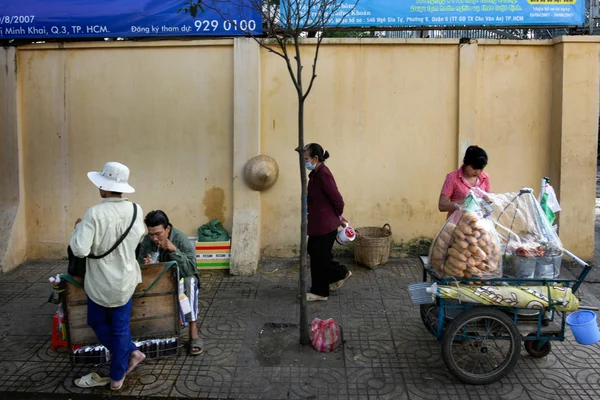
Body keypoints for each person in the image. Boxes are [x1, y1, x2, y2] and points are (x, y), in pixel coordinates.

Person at [70, 162, 146, 390]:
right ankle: (129, 356)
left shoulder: (93, 214)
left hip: (100, 282)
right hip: (126, 280)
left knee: (96, 320)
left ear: (103, 186)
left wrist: (77, 230)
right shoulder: (135, 210)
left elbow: (80, 250)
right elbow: (140, 237)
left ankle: (117, 375)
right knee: (120, 328)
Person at [137, 210, 202, 356]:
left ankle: (194, 330)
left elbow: (191, 269)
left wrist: (175, 251)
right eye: (151, 234)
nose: (154, 238)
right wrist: (145, 264)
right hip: (157, 280)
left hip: (179, 278)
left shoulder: (180, 238)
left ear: (167, 229)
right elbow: (138, 263)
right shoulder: (147, 241)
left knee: (191, 282)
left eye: (158, 234)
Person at [304, 143, 352, 302]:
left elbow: (337, 199)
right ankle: (340, 273)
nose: (305, 162)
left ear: (315, 158)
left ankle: (320, 292)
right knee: (317, 252)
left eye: (306, 159)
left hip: (325, 224)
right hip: (320, 222)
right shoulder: (316, 174)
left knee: (319, 257)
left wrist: (338, 216)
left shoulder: (323, 174)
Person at [438, 145, 491, 218]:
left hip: (478, 222)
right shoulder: (453, 178)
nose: (478, 172)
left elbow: (487, 199)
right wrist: (464, 202)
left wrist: (487, 204)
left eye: (481, 169)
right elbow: (442, 205)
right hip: (457, 224)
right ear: (466, 163)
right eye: (474, 168)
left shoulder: (485, 178)